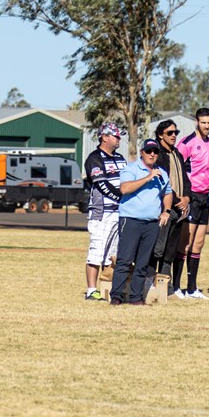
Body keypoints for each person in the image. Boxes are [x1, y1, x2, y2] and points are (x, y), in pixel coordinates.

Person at [109, 139, 174, 305]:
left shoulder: (162, 173)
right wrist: (148, 177)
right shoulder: (131, 169)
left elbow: (167, 193)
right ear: (142, 152)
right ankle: (116, 295)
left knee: (143, 262)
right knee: (124, 259)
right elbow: (124, 189)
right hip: (130, 220)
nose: (152, 154)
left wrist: (166, 210)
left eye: (155, 151)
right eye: (148, 151)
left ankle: (136, 297)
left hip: (151, 223)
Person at [175, 108, 209, 299]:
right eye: (203, 122)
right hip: (190, 196)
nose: (207, 126)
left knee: (198, 243)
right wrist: (183, 195)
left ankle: (192, 288)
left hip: (204, 196)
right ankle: (176, 286)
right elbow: (177, 169)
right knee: (186, 243)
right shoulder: (187, 143)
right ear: (196, 122)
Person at [82, 124, 125, 301]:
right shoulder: (94, 158)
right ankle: (91, 290)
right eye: (116, 136)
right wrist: (121, 197)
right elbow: (101, 185)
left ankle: (107, 286)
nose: (119, 139)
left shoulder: (120, 157)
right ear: (105, 137)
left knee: (112, 253)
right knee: (96, 251)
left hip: (119, 212)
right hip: (101, 212)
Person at [150, 120, 189, 297]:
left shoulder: (177, 153)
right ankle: (149, 282)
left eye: (176, 132)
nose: (174, 135)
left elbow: (185, 179)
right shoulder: (157, 153)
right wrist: (176, 199)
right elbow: (161, 183)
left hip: (179, 209)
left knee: (170, 250)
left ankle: (166, 286)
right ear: (160, 135)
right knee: (157, 248)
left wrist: (187, 198)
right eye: (170, 132)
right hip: (164, 208)